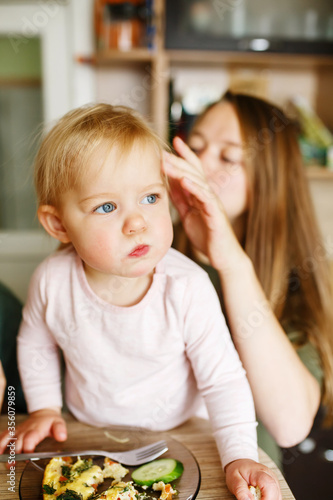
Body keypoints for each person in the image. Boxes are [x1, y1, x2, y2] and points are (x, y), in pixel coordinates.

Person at [0, 104, 280, 499]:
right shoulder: (51, 280)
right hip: (89, 434)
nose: (137, 222)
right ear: (59, 224)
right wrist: (45, 407)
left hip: (183, 434)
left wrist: (238, 457)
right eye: (107, 207)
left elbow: (224, 380)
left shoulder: (187, 288)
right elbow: (35, 343)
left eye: (150, 198)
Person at [163, 90, 333, 468]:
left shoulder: (298, 280)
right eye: (195, 146)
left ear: (269, 180)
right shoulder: (153, 251)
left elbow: (291, 425)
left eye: (228, 157)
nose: (200, 164)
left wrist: (233, 265)